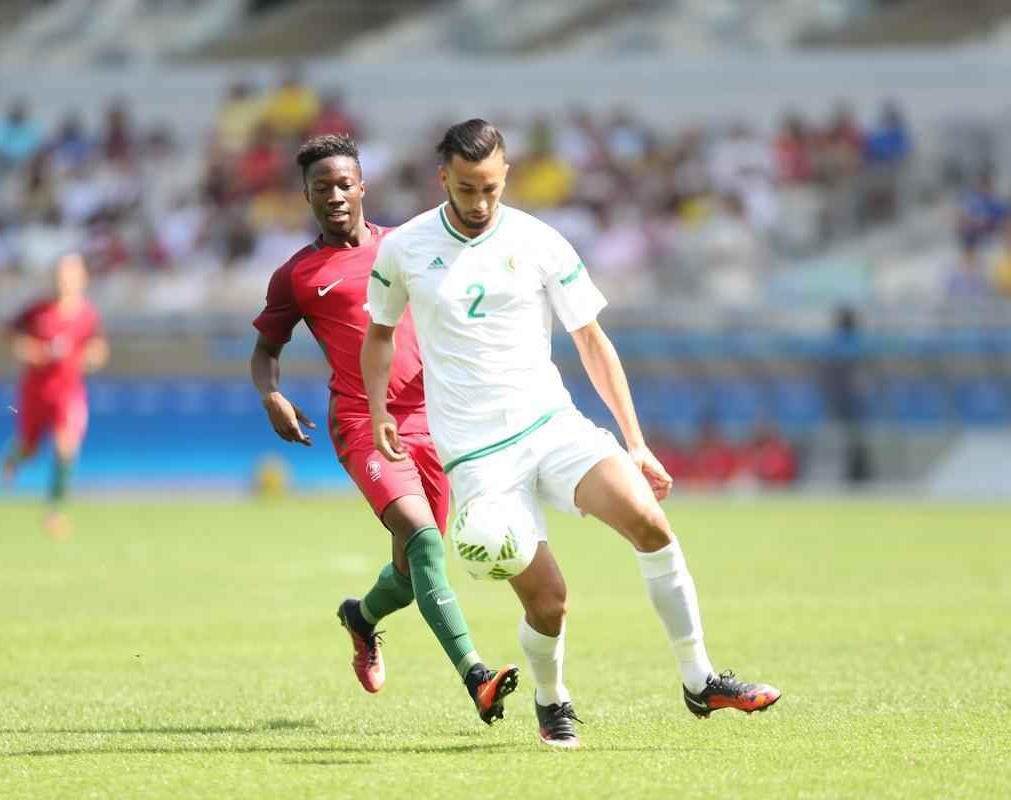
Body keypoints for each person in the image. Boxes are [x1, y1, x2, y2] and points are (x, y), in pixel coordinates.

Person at [361, 119, 781, 748]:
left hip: (552, 425)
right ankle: (551, 700)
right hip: (477, 456)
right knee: (550, 602)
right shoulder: (405, 249)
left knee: (651, 525)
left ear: (507, 179)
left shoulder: (540, 241)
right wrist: (378, 412)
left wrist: (634, 442)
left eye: (492, 190)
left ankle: (700, 679)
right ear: (442, 176)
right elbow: (380, 334)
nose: (479, 204)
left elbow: (591, 339)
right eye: (468, 188)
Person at [250, 134, 518, 726]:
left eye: (345, 184)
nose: (336, 196)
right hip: (362, 422)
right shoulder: (297, 275)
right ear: (307, 196)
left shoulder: (410, 245)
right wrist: (271, 393)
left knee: (409, 571)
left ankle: (362, 617)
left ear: (362, 187)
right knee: (423, 541)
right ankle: (476, 675)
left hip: (437, 420)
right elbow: (265, 349)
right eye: (323, 188)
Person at [0, 253, 108, 538]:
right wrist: (28, 350)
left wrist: (90, 357)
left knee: (65, 446)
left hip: (69, 392)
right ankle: (13, 458)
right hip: (36, 391)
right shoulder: (37, 311)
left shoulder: (87, 314)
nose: (65, 281)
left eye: (71, 275)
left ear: (82, 279)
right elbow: (9, 333)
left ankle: (54, 510)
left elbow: (98, 347)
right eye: (61, 275)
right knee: (30, 449)